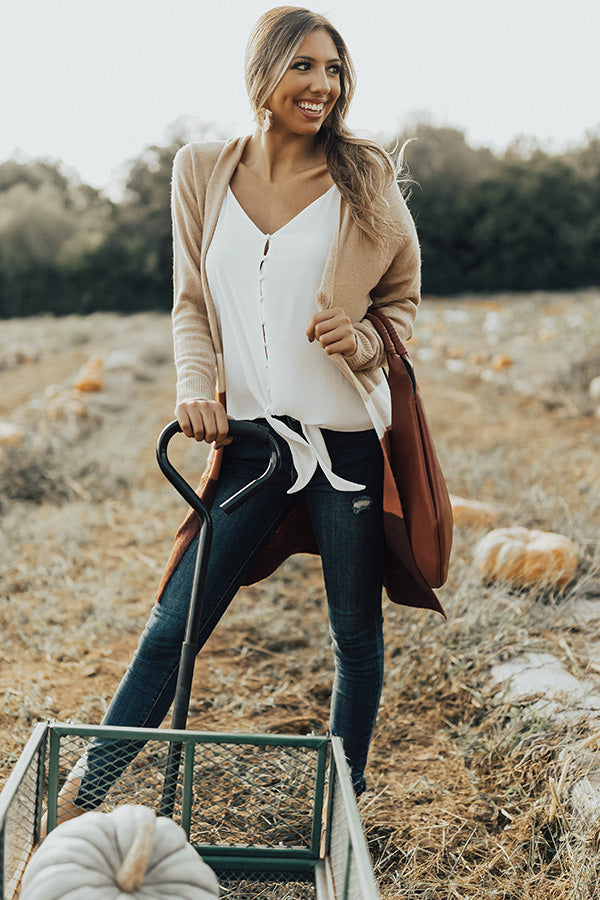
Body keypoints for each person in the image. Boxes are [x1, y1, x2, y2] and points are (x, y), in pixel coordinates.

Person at [48, 4, 422, 829]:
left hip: (345, 443)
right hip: (252, 444)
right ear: (263, 71)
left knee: (353, 635)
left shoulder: (365, 177)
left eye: (333, 69)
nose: (322, 85)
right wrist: (197, 385)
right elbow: (189, 304)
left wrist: (361, 341)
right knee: (174, 622)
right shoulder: (201, 169)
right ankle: (82, 797)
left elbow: (402, 301)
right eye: (304, 67)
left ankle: (342, 804)